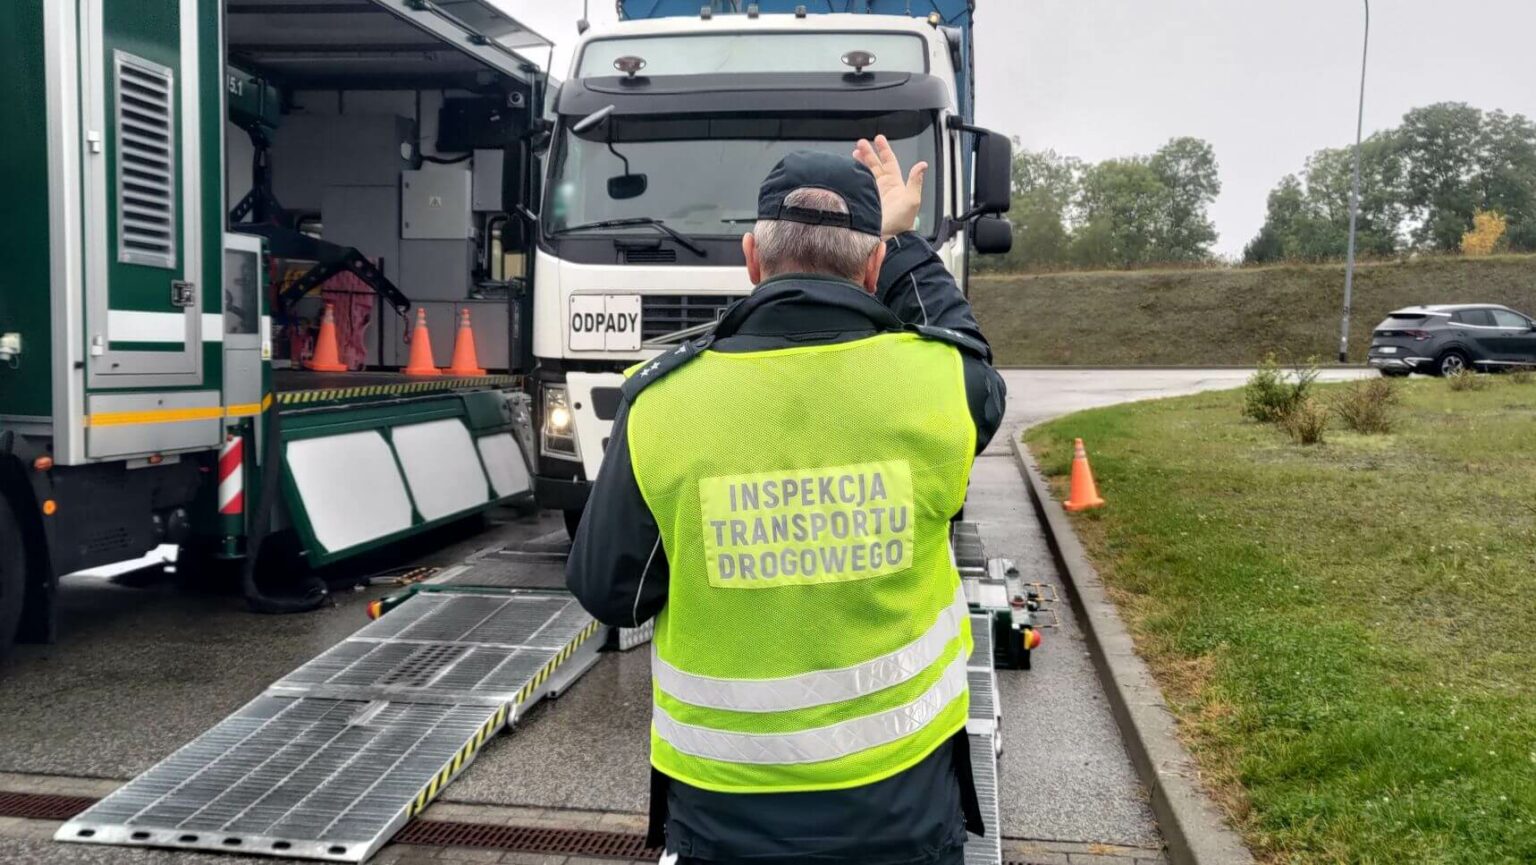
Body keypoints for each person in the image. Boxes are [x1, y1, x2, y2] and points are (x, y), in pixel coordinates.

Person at [567, 136, 1007, 865]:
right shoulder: (945, 388)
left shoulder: (661, 400)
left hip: (724, 814)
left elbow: (613, 592)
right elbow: (968, 348)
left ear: (750, 258)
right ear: (872, 267)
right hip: (902, 807)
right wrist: (901, 242)